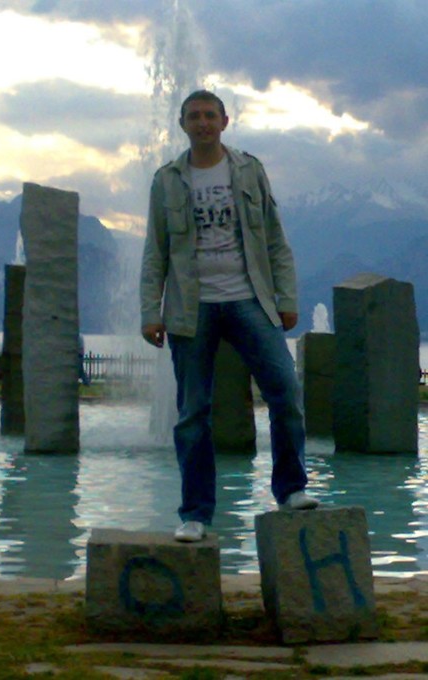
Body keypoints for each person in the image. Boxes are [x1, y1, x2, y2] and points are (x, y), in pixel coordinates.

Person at [140, 89, 318, 543]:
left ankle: (291, 489)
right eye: (194, 116)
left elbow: (275, 239)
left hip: (249, 299)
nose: (202, 123)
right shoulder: (166, 180)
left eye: (209, 115)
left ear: (224, 121)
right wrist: (150, 311)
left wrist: (286, 297)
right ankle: (195, 514)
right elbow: (155, 251)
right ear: (182, 124)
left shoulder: (248, 169)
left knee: (285, 390)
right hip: (190, 308)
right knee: (193, 412)